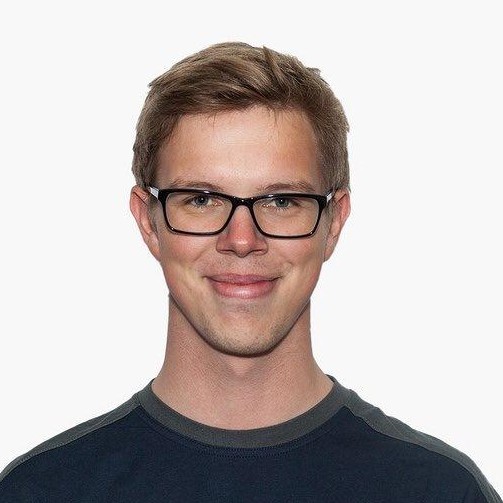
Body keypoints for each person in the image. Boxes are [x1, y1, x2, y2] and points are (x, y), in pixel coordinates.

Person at [0, 41, 500, 502]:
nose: (241, 240)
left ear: (334, 223)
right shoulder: (39, 492)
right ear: (148, 222)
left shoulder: (440, 491)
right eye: (201, 199)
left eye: (281, 201)